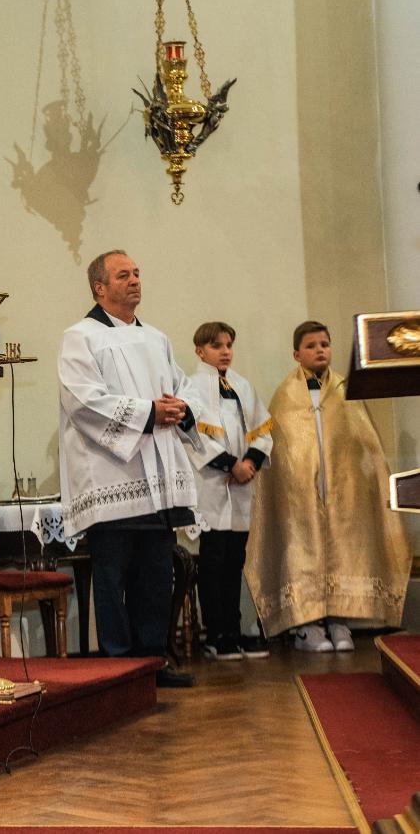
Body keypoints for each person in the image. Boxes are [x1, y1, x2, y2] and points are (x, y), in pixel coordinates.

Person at [57, 249, 201, 687]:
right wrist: (149, 412)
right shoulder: (80, 337)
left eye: (137, 273)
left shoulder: (156, 338)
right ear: (99, 288)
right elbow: (83, 400)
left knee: (155, 576)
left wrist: (180, 407)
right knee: (113, 578)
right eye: (123, 275)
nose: (135, 280)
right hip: (112, 477)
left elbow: (183, 386)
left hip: (159, 480)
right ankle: (119, 668)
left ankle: (152, 662)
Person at [245, 321, 410, 652]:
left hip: (343, 492)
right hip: (300, 494)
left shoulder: (347, 391)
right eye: (311, 345)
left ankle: (338, 620)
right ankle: (306, 626)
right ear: (296, 354)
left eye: (324, 344)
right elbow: (281, 449)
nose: (320, 350)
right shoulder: (284, 396)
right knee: (302, 548)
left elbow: (365, 445)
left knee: (342, 547)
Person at [183, 322, 272, 661]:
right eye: (216, 346)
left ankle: (233, 630)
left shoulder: (242, 386)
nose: (225, 352)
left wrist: (250, 462)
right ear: (200, 351)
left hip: (241, 487)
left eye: (228, 345)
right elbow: (193, 438)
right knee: (213, 561)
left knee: (235, 560)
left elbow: (263, 431)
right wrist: (231, 464)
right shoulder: (191, 388)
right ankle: (216, 632)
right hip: (212, 485)